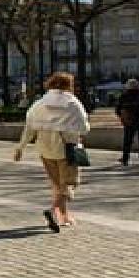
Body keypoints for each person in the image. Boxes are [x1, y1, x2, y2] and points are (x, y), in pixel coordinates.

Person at [13, 72, 91, 232]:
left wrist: (20, 148)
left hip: (45, 149)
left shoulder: (39, 104)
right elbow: (84, 127)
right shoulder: (72, 103)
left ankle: (64, 216)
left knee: (57, 184)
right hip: (66, 149)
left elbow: (29, 128)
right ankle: (54, 210)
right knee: (69, 183)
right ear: (68, 85)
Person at [115, 79, 139, 167]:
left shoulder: (124, 96)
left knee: (127, 141)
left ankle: (125, 159)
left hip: (129, 121)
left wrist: (123, 118)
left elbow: (118, 109)